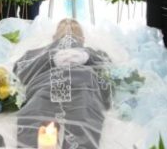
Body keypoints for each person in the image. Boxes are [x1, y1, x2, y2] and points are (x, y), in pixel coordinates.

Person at [14, 19, 111, 149]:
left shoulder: (91, 53)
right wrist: (51, 57)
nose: (69, 39)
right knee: (81, 111)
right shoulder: (44, 52)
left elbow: (109, 70)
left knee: (81, 109)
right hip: (58, 83)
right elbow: (20, 69)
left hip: (76, 84)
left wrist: (86, 56)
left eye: (74, 37)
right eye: (63, 37)